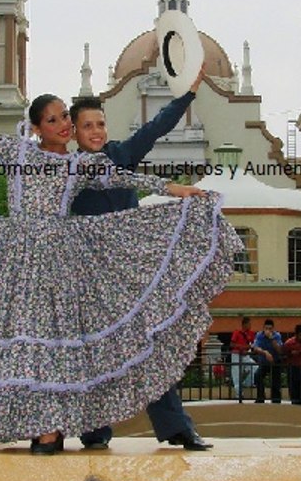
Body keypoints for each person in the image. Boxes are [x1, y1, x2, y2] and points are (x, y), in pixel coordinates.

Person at [0, 92, 241, 454]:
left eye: (65, 117)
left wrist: (179, 190)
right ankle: (49, 429)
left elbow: (129, 178)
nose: (64, 124)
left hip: (68, 263)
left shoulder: (80, 165)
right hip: (18, 261)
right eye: (55, 119)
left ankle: (73, 430)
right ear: (35, 128)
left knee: (83, 345)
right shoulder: (15, 153)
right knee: (29, 347)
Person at [69, 75, 215, 451]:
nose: (97, 131)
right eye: (88, 126)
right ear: (74, 132)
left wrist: (189, 93)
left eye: (101, 123)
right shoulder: (63, 171)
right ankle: (94, 431)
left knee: (150, 347)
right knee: (94, 353)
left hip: (132, 273)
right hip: (88, 277)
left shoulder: (122, 154)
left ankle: (176, 427)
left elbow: (157, 126)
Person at [252, 319, 284, 403]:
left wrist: (271, 339)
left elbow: (279, 350)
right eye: (266, 328)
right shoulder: (259, 335)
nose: (268, 330)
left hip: (275, 361)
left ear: (273, 329)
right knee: (257, 375)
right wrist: (265, 352)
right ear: (263, 328)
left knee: (275, 381)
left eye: (270, 328)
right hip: (264, 361)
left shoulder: (277, 335)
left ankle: (276, 400)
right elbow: (255, 348)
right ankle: (261, 397)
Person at [229, 316, 257, 400]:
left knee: (255, 368)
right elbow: (232, 344)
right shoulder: (237, 332)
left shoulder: (251, 333)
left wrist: (249, 349)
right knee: (236, 374)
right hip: (236, 355)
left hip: (246, 355)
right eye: (249, 323)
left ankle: (246, 383)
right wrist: (242, 347)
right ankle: (239, 394)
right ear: (245, 324)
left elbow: (253, 344)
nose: (250, 325)